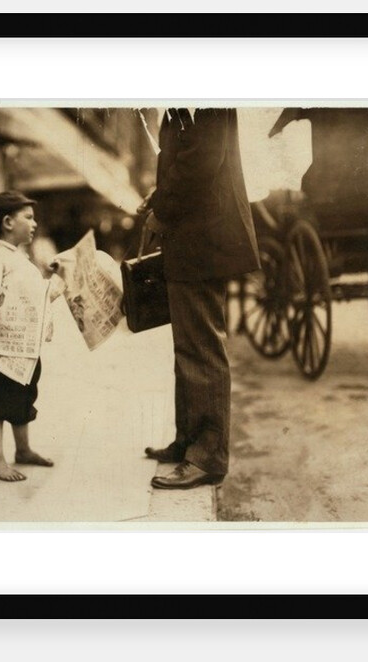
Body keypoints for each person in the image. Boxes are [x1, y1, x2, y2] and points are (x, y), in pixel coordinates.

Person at [138, 107, 261, 490]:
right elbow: (189, 157)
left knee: (200, 347)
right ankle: (190, 441)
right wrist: (159, 197)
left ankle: (207, 456)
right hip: (194, 236)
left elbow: (202, 161)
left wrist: (163, 208)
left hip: (202, 237)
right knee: (188, 345)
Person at [0, 191, 64, 482]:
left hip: (25, 349)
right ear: (7, 222)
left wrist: (54, 281)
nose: (34, 224)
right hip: (3, 351)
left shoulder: (20, 259)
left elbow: (35, 299)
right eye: (28, 218)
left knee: (23, 398)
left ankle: (23, 449)